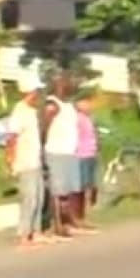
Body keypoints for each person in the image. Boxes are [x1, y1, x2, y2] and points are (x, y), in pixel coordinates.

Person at [44, 78, 95, 236]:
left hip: (69, 152)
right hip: (56, 152)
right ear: (55, 88)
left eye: (67, 85)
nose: (66, 87)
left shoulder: (68, 106)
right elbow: (43, 127)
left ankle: (70, 222)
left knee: (68, 191)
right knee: (57, 192)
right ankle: (57, 226)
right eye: (62, 85)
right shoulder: (52, 105)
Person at [6, 74, 48, 250]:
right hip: (25, 160)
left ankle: (36, 232)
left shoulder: (32, 111)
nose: (37, 95)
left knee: (39, 197)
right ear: (28, 92)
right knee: (29, 198)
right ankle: (24, 236)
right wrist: (11, 158)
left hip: (35, 158)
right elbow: (12, 137)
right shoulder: (19, 111)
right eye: (35, 91)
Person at [74, 95, 101, 224]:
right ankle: (79, 215)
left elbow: (95, 134)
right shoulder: (77, 119)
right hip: (81, 155)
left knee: (91, 185)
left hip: (92, 153)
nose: (88, 106)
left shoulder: (91, 118)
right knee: (82, 185)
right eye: (85, 103)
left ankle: (86, 213)